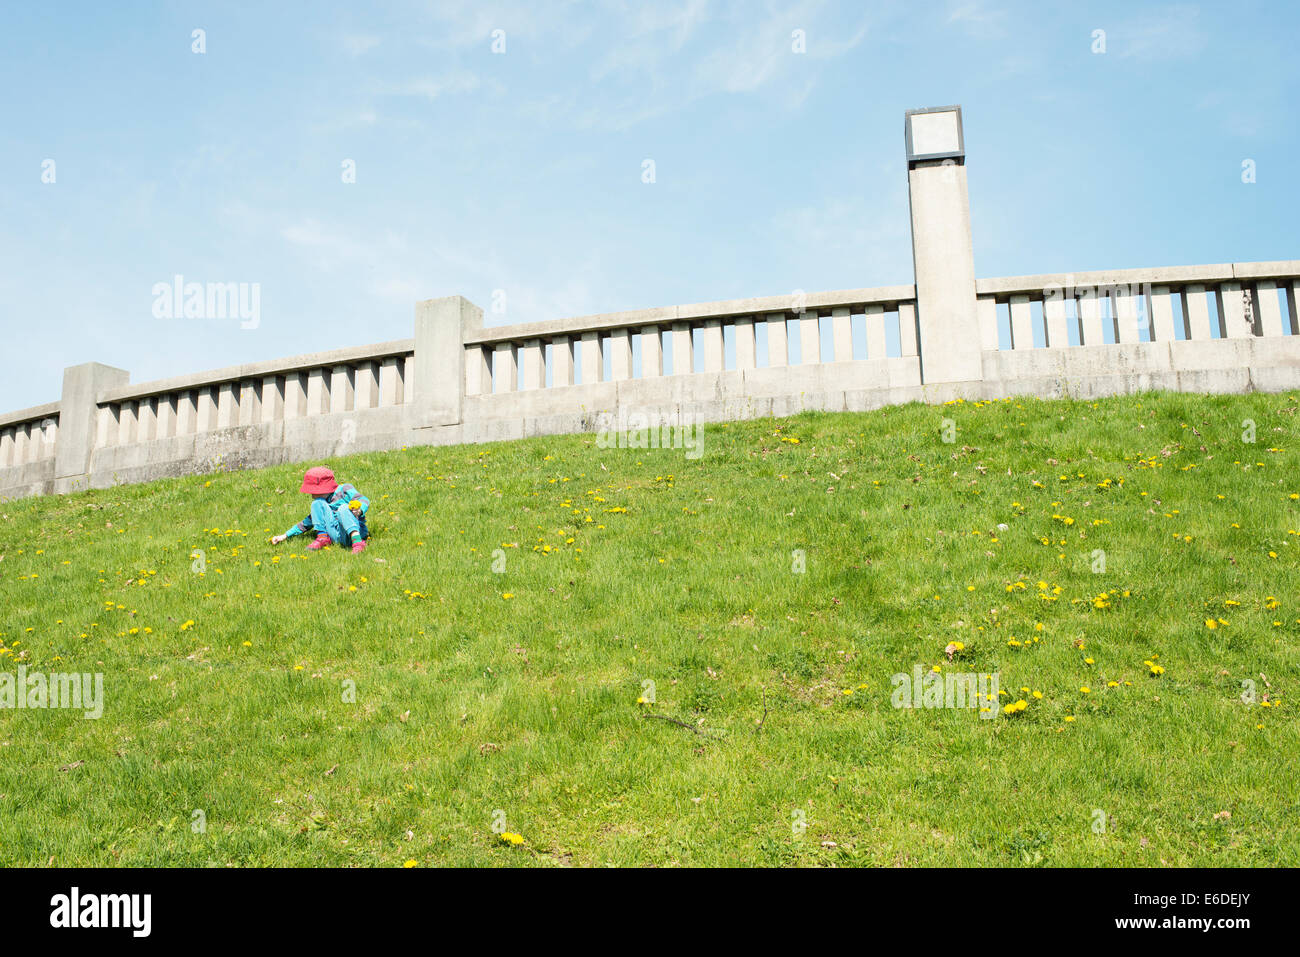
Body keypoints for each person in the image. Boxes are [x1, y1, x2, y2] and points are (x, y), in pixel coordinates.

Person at [271, 466, 370, 553]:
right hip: (336, 535)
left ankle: (358, 543)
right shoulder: (322, 502)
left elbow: (364, 500)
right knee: (316, 503)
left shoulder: (345, 489)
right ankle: (322, 538)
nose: (312, 495)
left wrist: (360, 510)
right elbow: (306, 523)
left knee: (343, 508)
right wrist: (285, 535)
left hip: (354, 532)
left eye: (314, 491)